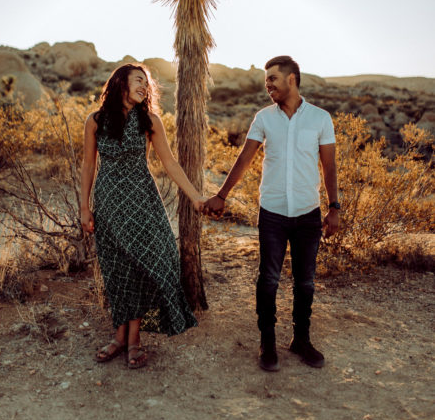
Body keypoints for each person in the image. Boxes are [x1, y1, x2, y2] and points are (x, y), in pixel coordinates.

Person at [204, 56, 339, 371]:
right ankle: (267, 341)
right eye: (266, 80)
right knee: (268, 278)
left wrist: (334, 207)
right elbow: (244, 158)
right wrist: (222, 195)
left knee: (305, 281)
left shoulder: (321, 119)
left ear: (291, 79)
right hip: (273, 213)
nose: (268, 86)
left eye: (273, 79)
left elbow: (329, 165)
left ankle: (300, 339)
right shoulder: (264, 118)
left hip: (308, 213)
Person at [81, 63, 203, 368]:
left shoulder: (149, 121)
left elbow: (171, 164)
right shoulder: (95, 121)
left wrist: (197, 197)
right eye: (139, 81)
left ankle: (133, 339)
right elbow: (87, 167)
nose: (144, 88)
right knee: (117, 269)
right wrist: (84, 207)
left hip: (142, 203)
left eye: (146, 84)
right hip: (108, 203)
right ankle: (121, 339)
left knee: (152, 262)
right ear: (121, 83)